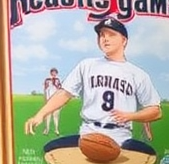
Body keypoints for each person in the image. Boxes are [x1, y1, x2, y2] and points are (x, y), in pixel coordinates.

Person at [25, 15, 161, 150]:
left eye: (111, 34)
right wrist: (40, 114)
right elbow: (64, 93)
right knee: (50, 149)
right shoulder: (87, 65)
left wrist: (130, 116)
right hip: (87, 135)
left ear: (124, 40)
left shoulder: (137, 74)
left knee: (148, 155)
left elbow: (156, 111)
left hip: (121, 137)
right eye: (102, 35)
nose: (105, 38)